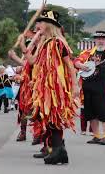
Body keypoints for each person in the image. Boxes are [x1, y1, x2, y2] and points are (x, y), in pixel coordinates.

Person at [22, 10, 79, 164]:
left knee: (54, 119)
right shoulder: (44, 43)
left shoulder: (59, 43)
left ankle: (59, 151)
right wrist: (24, 47)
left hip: (56, 88)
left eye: (40, 22)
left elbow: (70, 65)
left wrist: (75, 86)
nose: (37, 25)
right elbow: (33, 61)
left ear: (48, 25)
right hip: (44, 88)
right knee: (47, 119)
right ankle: (59, 151)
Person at [74, 30, 105, 145]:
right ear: (95, 40)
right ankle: (96, 136)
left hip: (103, 88)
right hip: (87, 87)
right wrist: (81, 65)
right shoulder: (88, 53)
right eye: (98, 38)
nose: (101, 41)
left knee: (103, 112)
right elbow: (75, 61)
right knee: (90, 113)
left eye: (103, 39)